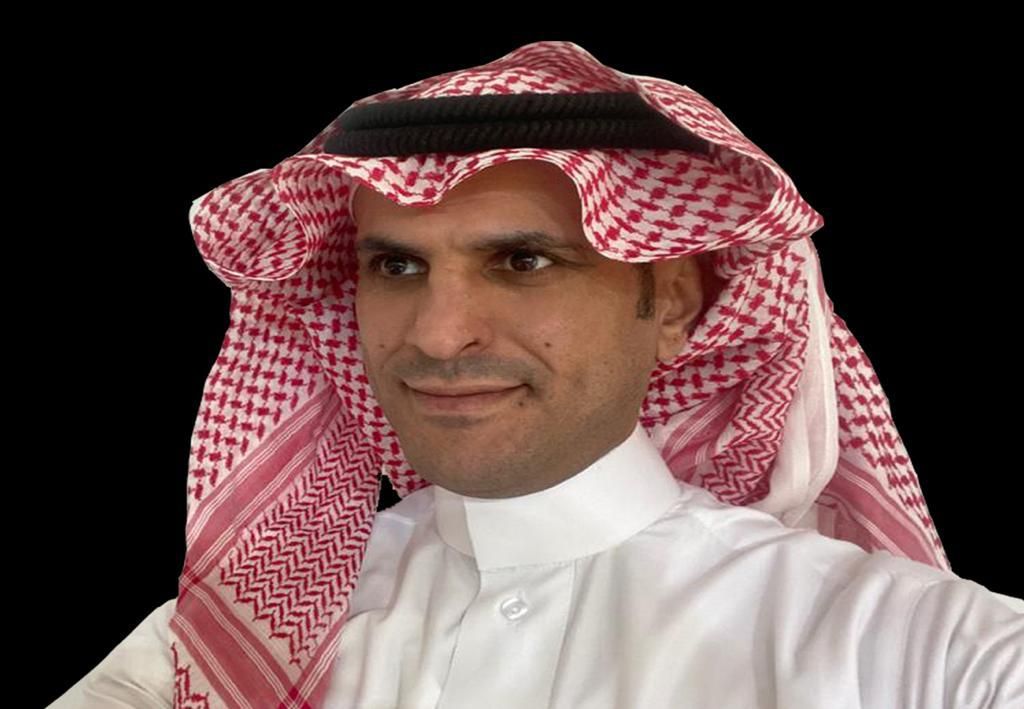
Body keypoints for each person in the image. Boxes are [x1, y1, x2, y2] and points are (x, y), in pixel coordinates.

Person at [51, 40, 1023, 708]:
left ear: (671, 302)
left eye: (522, 261)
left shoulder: (930, 652)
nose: (439, 335)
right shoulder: (224, 651)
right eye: (397, 266)